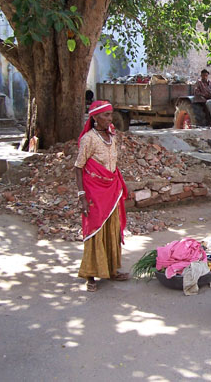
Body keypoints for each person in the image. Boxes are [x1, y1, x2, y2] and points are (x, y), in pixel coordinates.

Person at [75, 100, 129, 291]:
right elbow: (78, 167)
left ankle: (111, 270)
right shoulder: (88, 139)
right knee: (94, 229)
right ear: (95, 117)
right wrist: (82, 196)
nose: (110, 118)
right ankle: (90, 275)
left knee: (112, 228)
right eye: (106, 115)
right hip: (94, 190)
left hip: (111, 188)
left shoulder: (111, 135)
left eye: (110, 114)